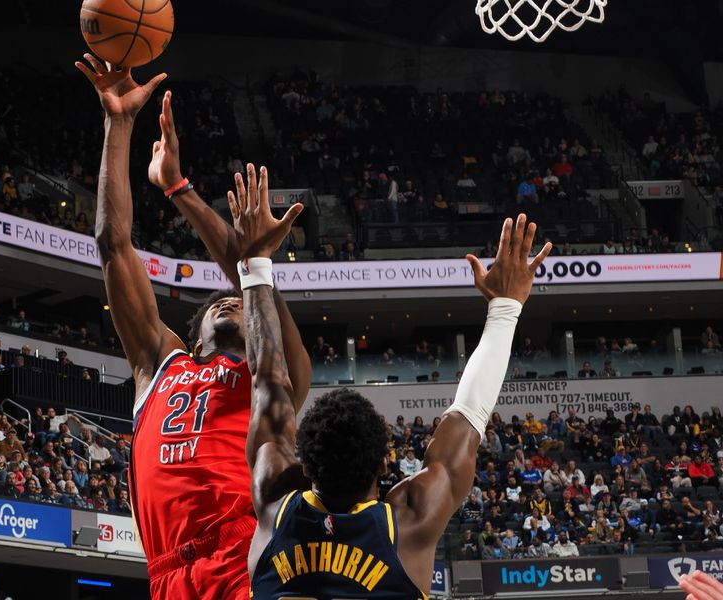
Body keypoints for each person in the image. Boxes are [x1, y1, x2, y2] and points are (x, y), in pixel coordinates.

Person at [75, 56, 311, 600]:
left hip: (244, 555)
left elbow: (252, 276)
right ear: (194, 327)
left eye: (237, 301)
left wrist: (181, 188)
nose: (229, 301)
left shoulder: (272, 375)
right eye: (216, 303)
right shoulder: (159, 364)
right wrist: (119, 123)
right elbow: (113, 245)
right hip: (165, 575)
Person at [243, 212, 550, 597]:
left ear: (303, 464)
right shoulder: (410, 522)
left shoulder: (274, 502)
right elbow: (469, 416)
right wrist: (505, 308)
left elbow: (268, 381)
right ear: (386, 464)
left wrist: (255, 264)